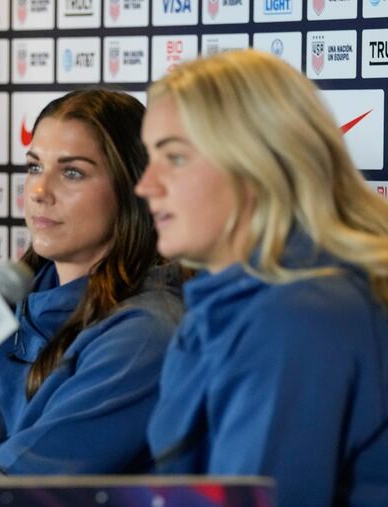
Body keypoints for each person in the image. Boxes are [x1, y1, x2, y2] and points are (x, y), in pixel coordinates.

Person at [136, 49, 388, 507]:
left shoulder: (297, 317)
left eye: (174, 157)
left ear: (256, 163)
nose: (145, 185)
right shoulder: (245, 303)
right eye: (149, 157)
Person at [0, 89, 184, 475]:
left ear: (134, 189)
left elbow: (19, 486)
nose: (40, 192)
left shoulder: (145, 332)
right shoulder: (5, 302)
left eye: (72, 172)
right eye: (33, 167)